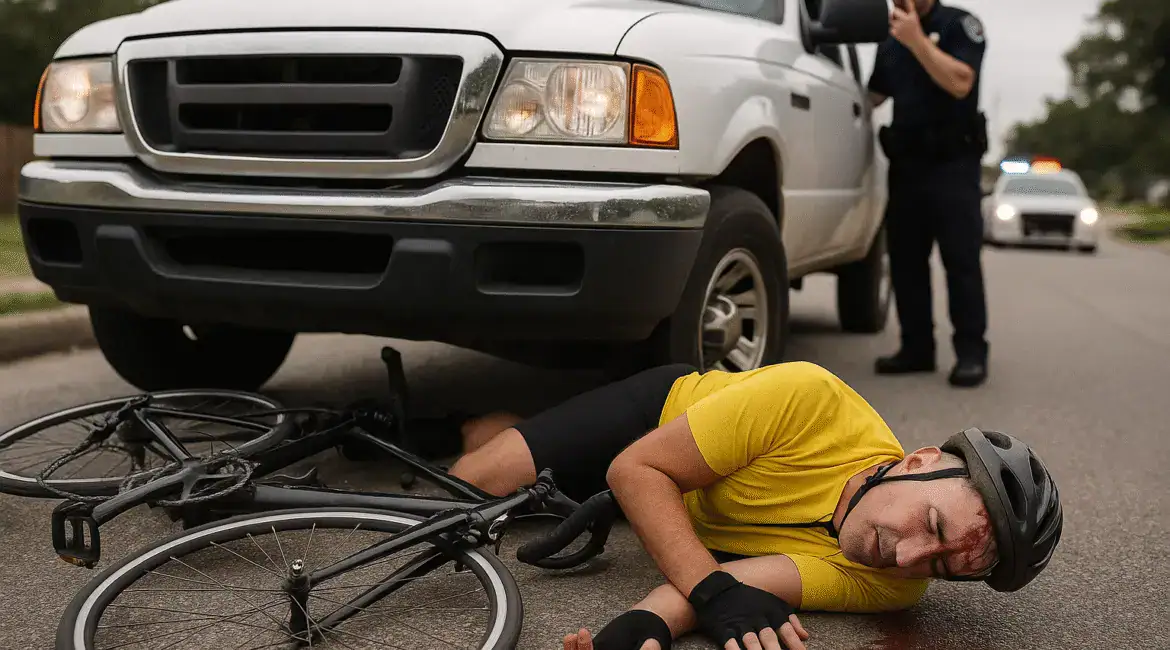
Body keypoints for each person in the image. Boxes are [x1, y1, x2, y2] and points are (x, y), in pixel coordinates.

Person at [447, 362, 1063, 650]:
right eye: (930, 523)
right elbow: (637, 468)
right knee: (474, 481)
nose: (904, 555)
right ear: (921, 460)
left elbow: (728, 584)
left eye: (939, 567)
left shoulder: (896, 581)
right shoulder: (811, 400)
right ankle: (483, 420)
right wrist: (713, 594)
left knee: (533, 494)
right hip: (659, 424)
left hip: (663, 505)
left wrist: (641, 631)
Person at [867, 0, 992, 387]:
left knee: (961, 261)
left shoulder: (960, 25)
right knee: (906, 262)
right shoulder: (889, 40)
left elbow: (960, 83)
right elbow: (871, 96)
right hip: (906, 165)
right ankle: (916, 348)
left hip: (953, 165)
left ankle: (971, 354)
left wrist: (917, 40)